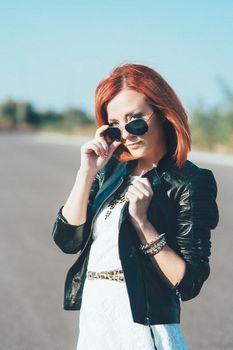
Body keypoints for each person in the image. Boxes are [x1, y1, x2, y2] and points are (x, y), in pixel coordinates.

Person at [52, 63, 219, 350]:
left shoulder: (190, 181)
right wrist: (87, 173)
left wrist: (143, 224)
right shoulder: (110, 171)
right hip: (96, 317)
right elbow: (67, 240)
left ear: (164, 113)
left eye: (135, 120)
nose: (127, 134)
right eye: (115, 126)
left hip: (141, 327)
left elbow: (189, 283)